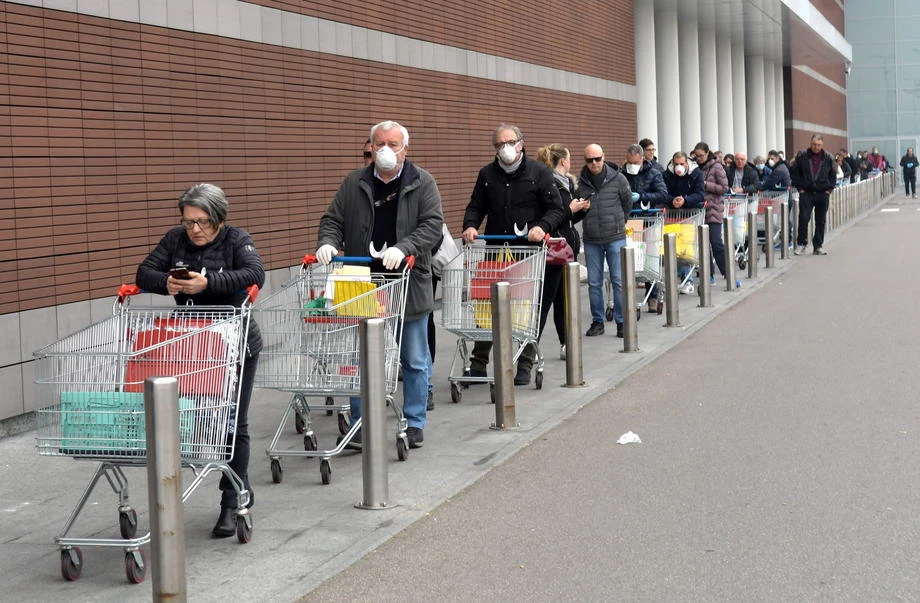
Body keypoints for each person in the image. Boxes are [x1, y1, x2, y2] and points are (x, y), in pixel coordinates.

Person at [136, 183, 265, 538]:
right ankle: (230, 484)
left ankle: (232, 500)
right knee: (199, 420)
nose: (195, 229)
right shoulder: (175, 240)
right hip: (193, 346)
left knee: (232, 423)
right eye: (189, 221)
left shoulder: (237, 240)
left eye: (203, 221)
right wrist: (168, 283)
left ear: (219, 220)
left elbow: (255, 274)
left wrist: (206, 282)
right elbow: (143, 273)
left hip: (236, 344)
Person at [316, 120, 442, 448]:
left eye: (394, 144)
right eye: (380, 143)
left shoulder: (422, 182)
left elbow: (433, 226)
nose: (386, 150)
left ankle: (414, 421)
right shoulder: (354, 183)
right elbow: (333, 219)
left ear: (405, 149)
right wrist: (328, 242)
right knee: (362, 359)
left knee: (414, 358)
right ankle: (360, 423)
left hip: (407, 284)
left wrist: (404, 248)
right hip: (362, 282)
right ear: (370, 147)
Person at [461, 125, 564, 385]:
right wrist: (470, 226)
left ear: (521, 143)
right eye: (499, 144)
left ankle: (525, 362)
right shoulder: (487, 175)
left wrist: (542, 227)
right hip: (496, 250)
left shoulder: (539, 172)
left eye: (510, 142)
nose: (505, 148)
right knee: (487, 305)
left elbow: (556, 208)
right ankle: (479, 362)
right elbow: (476, 205)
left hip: (527, 253)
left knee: (527, 307)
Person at [535, 143, 590, 359]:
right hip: (553, 249)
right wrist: (570, 209)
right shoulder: (548, 184)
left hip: (567, 248)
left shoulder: (566, 183)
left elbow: (567, 219)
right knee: (545, 301)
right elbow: (554, 216)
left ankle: (566, 343)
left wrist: (582, 210)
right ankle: (529, 352)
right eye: (569, 158)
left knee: (564, 300)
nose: (571, 162)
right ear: (562, 161)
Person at [579, 143, 633, 338]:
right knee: (594, 282)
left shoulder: (618, 179)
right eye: (589, 160)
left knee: (618, 280)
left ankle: (621, 322)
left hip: (615, 236)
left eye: (597, 159)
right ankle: (598, 321)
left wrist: (621, 222)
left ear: (603, 157)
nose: (594, 163)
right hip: (592, 238)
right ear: (585, 161)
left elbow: (628, 202)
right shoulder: (581, 182)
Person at [622, 143, 669, 311]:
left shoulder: (654, 174)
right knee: (632, 260)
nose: (632, 166)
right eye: (630, 163)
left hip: (649, 221)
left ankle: (653, 296)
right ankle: (628, 297)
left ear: (642, 159)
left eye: (635, 163)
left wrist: (641, 196)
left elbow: (663, 194)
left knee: (650, 259)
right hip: (630, 222)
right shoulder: (622, 174)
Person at [662, 150, 705, 294]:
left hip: (690, 215)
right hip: (672, 216)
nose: (679, 167)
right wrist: (671, 200)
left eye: (681, 164)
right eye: (676, 164)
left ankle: (688, 281)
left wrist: (685, 200)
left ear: (687, 163)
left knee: (685, 250)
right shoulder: (667, 174)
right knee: (673, 249)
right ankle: (676, 279)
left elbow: (700, 194)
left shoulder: (696, 173)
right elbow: (663, 192)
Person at [789, 134, 836, 256]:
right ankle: (801, 244)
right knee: (804, 218)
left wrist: (829, 189)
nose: (816, 147)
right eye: (814, 144)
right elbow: (795, 172)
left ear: (822, 145)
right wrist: (800, 188)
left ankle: (818, 246)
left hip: (822, 192)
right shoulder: (803, 155)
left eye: (819, 145)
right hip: (807, 192)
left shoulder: (828, 157)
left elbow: (833, 174)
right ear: (810, 143)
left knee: (821, 220)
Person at [691, 142, 729, 278]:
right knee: (702, 244)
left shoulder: (717, 167)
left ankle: (727, 272)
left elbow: (724, 188)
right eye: (697, 156)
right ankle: (708, 274)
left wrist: (706, 184)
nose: (699, 158)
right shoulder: (694, 167)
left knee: (716, 242)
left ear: (708, 154)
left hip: (713, 209)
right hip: (698, 209)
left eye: (701, 155)